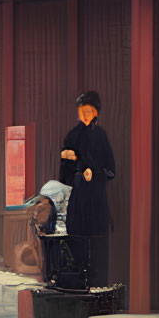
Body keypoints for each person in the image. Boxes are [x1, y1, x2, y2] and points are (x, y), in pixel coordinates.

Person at [59, 90, 116, 287]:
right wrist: (74, 166)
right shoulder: (72, 136)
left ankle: (98, 287)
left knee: (99, 246)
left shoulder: (101, 136)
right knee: (77, 244)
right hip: (79, 200)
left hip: (97, 201)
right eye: (83, 110)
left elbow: (111, 170)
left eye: (90, 111)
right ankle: (79, 287)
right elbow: (63, 176)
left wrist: (96, 173)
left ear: (96, 113)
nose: (86, 114)